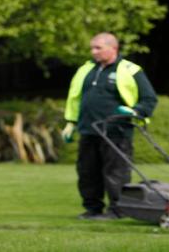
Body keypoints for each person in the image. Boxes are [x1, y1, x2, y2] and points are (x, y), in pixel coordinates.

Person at [61, 32, 158, 220]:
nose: (93, 52)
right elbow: (75, 99)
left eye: (98, 48)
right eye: (92, 48)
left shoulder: (130, 69)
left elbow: (149, 99)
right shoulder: (85, 70)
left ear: (113, 48)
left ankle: (118, 210)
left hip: (117, 131)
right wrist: (71, 123)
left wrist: (135, 111)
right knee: (87, 172)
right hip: (88, 130)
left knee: (116, 173)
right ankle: (92, 209)